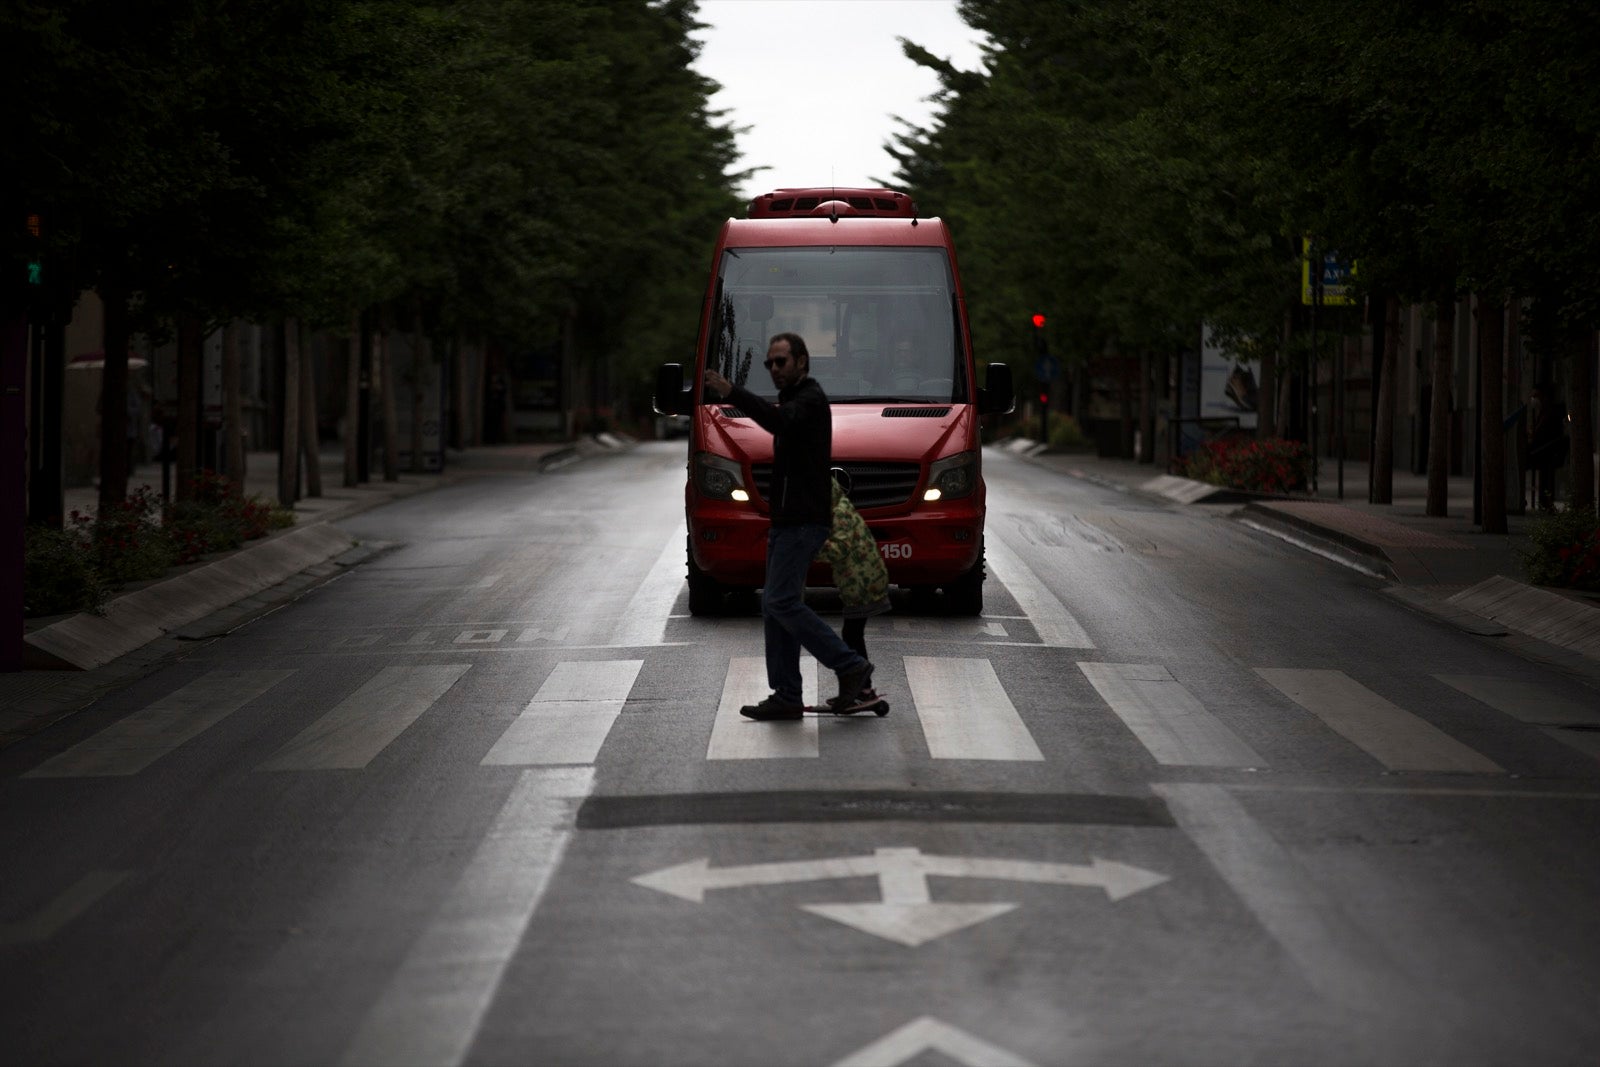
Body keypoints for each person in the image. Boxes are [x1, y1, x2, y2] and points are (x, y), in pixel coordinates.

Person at [705, 333, 874, 720]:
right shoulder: (795, 400)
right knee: (773, 606)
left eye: (781, 361)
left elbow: (778, 424)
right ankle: (786, 694)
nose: (775, 369)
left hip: (803, 522)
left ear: (802, 361)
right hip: (786, 520)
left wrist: (734, 391)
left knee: (781, 601)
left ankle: (849, 665)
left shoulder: (810, 401)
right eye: (770, 364)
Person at [814, 473, 890, 714]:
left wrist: (811, 550)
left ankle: (863, 688)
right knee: (853, 634)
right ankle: (862, 690)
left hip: (862, 584)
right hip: (863, 582)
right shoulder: (842, 508)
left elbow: (841, 547)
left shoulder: (840, 514)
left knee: (852, 635)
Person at [1527, 381, 1569, 511]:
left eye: (1536, 396)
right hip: (1544, 451)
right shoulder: (1545, 412)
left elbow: (1543, 434)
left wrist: (1532, 438)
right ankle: (1545, 502)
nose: (1533, 400)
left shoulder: (1549, 413)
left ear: (1543, 396)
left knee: (1546, 477)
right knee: (1545, 478)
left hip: (1546, 452)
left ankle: (1546, 502)